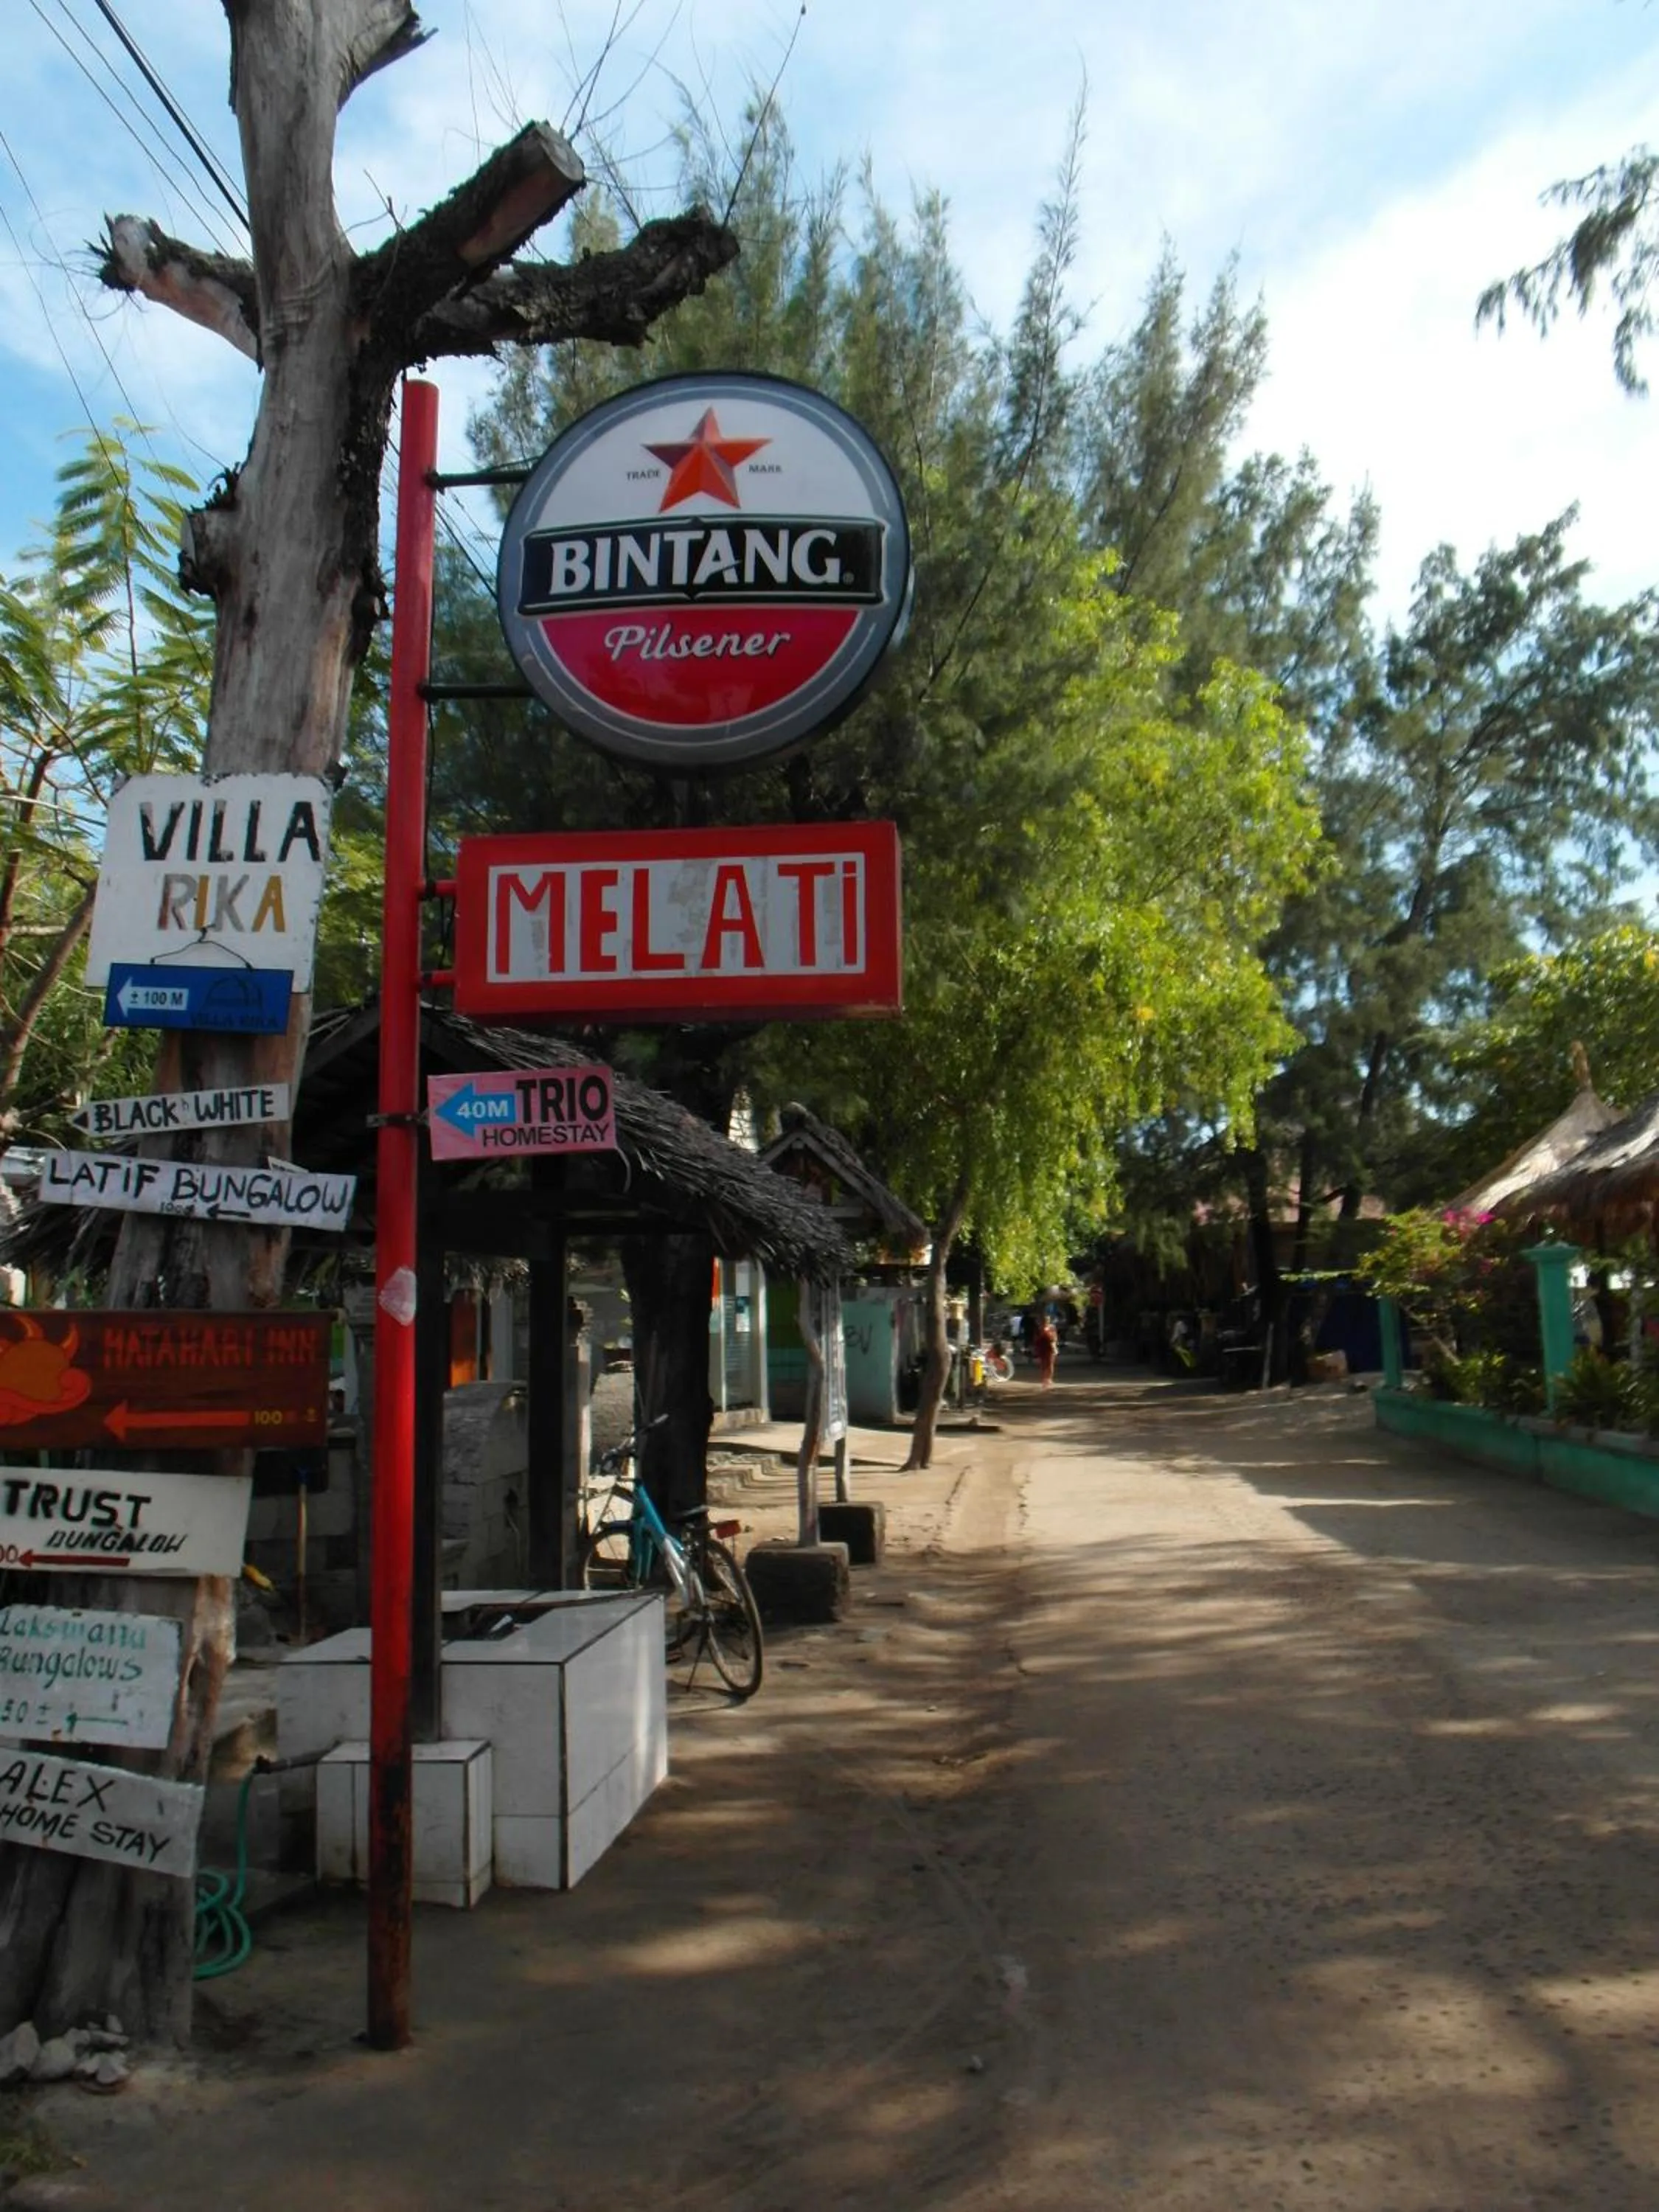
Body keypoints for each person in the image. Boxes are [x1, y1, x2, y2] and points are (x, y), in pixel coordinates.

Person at [1032, 1312, 1058, 1388]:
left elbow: (1055, 1338)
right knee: (1043, 1364)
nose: (1045, 1322)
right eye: (1043, 1320)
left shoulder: (1052, 1327)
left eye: (1047, 1320)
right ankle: (1044, 1379)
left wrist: (1054, 1345)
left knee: (1050, 1364)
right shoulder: (1039, 1329)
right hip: (1042, 1348)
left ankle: (1049, 1379)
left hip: (1050, 1347)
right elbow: (1036, 1339)